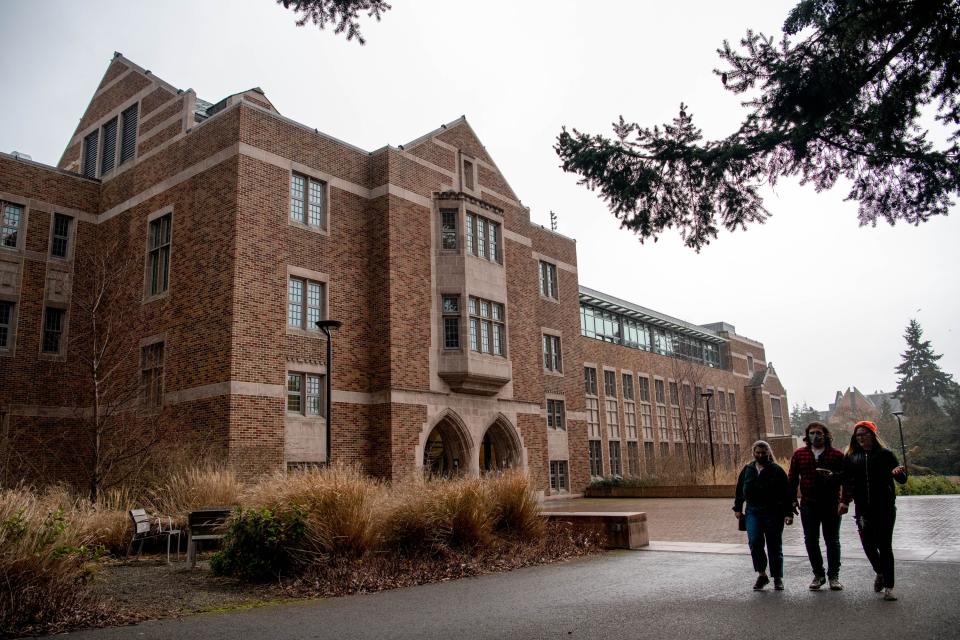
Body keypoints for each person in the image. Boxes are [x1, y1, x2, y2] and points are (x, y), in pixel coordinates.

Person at [840, 420, 908, 601]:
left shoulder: (886, 454)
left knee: (885, 546)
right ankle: (880, 572)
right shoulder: (852, 457)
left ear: (872, 435)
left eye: (864, 434)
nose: (861, 437)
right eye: (858, 435)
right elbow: (845, 480)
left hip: (884, 507)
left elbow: (902, 479)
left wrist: (898, 473)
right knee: (868, 545)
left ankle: (889, 587)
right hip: (863, 509)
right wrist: (834, 482)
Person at [787, 421, 845, 590]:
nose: (815, 436)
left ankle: (833, 576)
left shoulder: (836, 455)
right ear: (807, 435)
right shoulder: (799, 454)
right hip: (808, 504)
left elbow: (846, 478)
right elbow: (792, 479)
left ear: (825, 435)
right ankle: (818, 574)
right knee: (811, 540)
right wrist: (791, 501)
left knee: (832, 541)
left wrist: (843, 499)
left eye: (819, 433)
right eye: (812, 433)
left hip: (831, 503)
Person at [734, 440, 794, 590]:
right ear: (753, 453)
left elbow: (786, 493)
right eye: (758, 453)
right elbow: (740, 489)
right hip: (753, 511)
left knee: (774, 545)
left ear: (769, 453)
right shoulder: (748, 469)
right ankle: (762, 575)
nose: (760, 455)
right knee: (754, 542)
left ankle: (777, 578)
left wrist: (788, 513)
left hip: (773, 511)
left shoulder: (776, 470)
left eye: (763, 453)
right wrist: (738, 508)